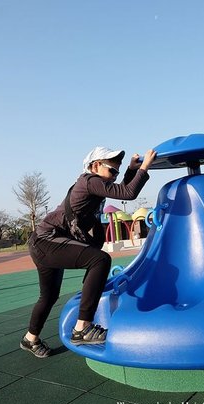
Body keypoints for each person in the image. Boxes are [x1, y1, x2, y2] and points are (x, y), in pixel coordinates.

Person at [20, 146, 157, 358]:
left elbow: (122, 188)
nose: (114, 177)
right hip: (47, 241)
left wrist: (131, 169)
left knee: (48, 296)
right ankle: (82, 328)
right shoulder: (90, 181)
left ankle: (30, 339)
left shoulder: (95, 185)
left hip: (43, 242)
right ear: (95, 166)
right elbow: (128, 193)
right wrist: (145, 167)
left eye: (116, 173)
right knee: (100, 260)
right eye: (112, 171)